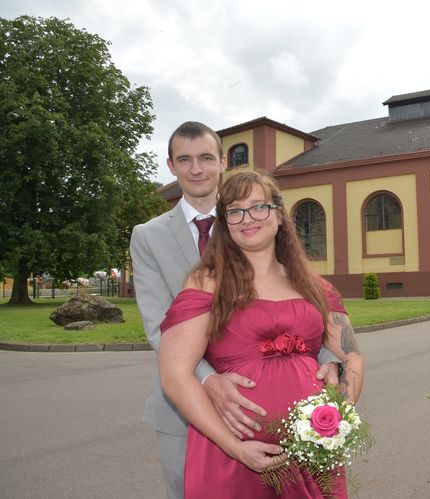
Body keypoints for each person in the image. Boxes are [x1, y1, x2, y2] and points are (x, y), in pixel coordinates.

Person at [129, 122, 342, 499]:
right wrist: (210, 381)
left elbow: (307, 312)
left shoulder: (252, 222)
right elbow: (159, 324)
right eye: (185, 159)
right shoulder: (148, 236)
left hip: (293, 422)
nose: (196, 169)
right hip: (185, 408)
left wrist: (330, 361)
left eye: (206, 158)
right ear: (171, 165)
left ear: (223, 161)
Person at [158, 171, 364, 498]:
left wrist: (338, 414)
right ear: (224, 224)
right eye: (235, 211)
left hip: (312, 456)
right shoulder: (206, 283)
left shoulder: (316, 287)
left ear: (280, 215)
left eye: (258, 206)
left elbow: (351, 355)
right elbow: (174, 375)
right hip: (232, 455)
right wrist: (235, 448)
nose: (247, 218)